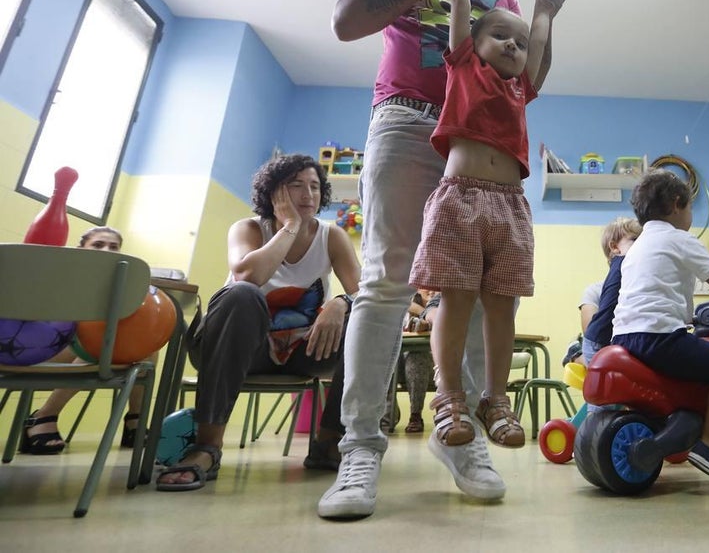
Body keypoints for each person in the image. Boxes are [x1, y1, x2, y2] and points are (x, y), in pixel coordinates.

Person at [319, 0, 565, 518]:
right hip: (404, 119)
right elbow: (346, 21)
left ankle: (463, 433)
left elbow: (525, 69)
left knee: (480, 290)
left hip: (472, 141)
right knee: (385, 282)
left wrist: (542, 13)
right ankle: (360, 448)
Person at [409, 0, 557, 455]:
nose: (513, 46)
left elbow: (536, 51)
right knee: (458, 300)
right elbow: (461, 18)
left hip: (511, 208)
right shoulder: (465, 65)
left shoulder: (521, 88)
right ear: (476, 42)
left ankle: (496, 399)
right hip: (462, 198)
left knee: (502, 307)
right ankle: (449, 396)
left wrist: (544, 9)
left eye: (517, 43)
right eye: (500, 37)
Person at [156, 154, 361, 490]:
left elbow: (363, 293)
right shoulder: (249, 228)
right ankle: (206, 447)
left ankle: (328, 442)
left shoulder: (331, 236)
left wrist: (341, 302)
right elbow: (248, 274)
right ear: (274, 194)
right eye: (296, 186)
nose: (308, 195)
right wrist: (290, 227)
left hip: (300, 352)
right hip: (236, 346)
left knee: (364, 317)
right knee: (242, 295)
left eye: (314, 186)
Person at [611, 169, 709, 496]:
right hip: (659, 335)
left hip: (625, 336)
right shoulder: (678, 238)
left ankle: (683, 427)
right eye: (691, 208)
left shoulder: (637, 247)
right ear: (678, 204)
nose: (691, 217)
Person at [20, 227, 143, 455]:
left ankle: (135, 419)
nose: (106, 250)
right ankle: (44, 415)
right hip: (42, 349)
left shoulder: (117, 288)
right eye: (98, 245)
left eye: (113, 247)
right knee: (101, 345)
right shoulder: (58, 276)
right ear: (81, 249)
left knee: (144, 345)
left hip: (87, 350)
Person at [581, 216, 643, 368]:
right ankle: (574, 352)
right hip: (598, 343)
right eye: (635, 240)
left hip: (607, 339)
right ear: (615, 247)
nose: (642, 245)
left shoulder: (629, 266)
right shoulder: (625, 262)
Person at [380, 290, 436, 434]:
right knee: (388, 353)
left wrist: (429, 318)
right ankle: (387, 414)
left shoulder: (447, 305)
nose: (430, 289)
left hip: (435, 369)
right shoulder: (405, 303)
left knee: (416, 355)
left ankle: (415, 415)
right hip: (400, 367)